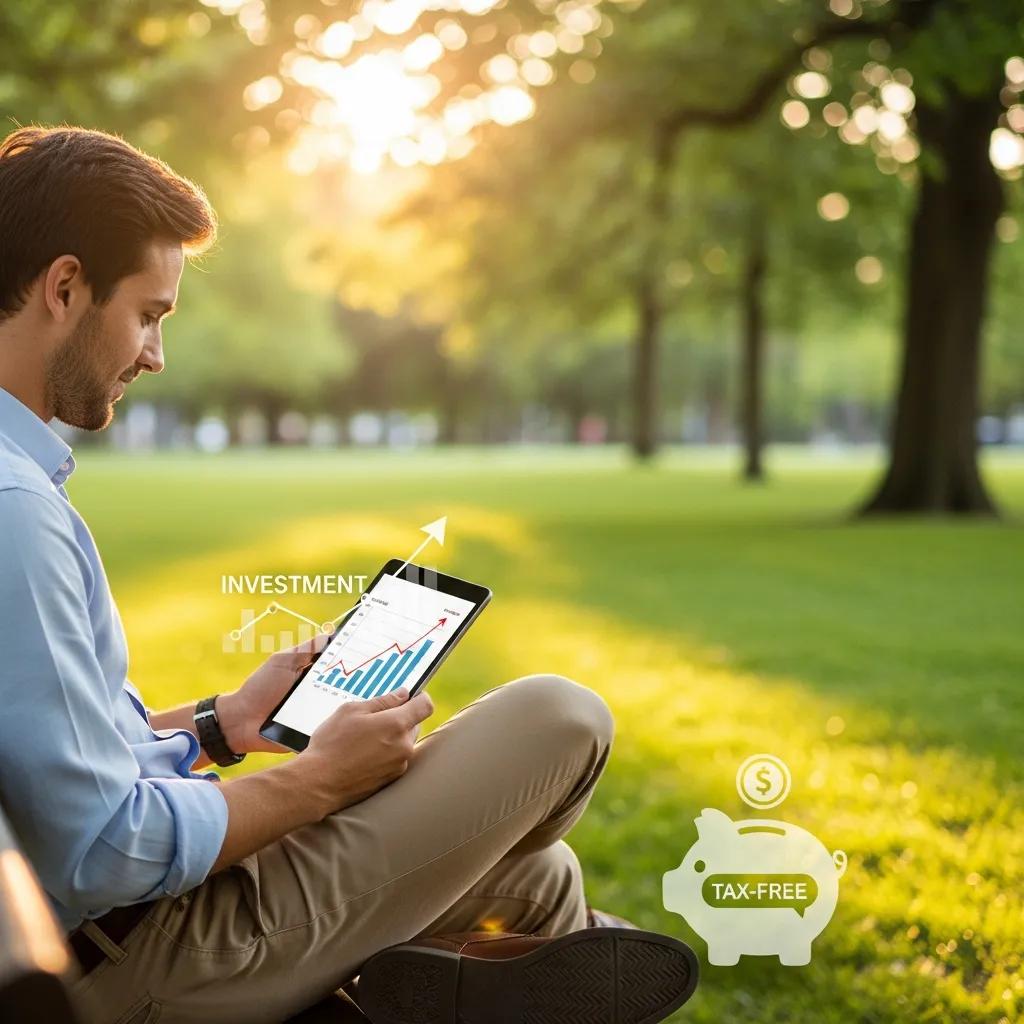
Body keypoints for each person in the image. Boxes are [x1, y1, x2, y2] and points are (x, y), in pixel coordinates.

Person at [0, 125, 697, 1024]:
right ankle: (398, 993)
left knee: (533, 875)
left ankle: (438, 993)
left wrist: (221, 725)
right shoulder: (15, 509)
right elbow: (99, 849)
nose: (155, 355)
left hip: (117, 928)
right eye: (149, 314)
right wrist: (317, 781)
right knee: (560, 718)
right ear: (64, 287)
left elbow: (48, 766)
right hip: (132, 960)